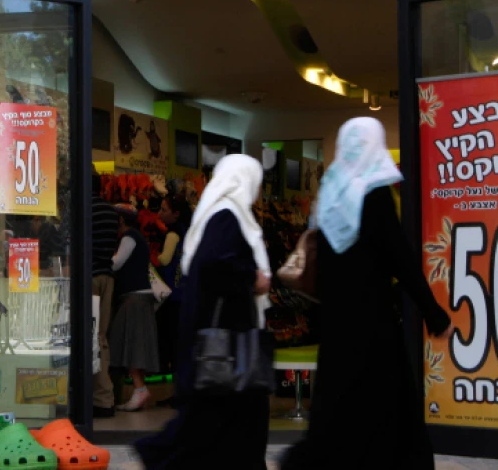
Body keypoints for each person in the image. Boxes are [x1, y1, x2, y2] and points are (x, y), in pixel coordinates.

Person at [279, 117, 452, 470]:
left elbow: (323, 264)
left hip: (337, 323)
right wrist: (434, 314)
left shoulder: (330, 192)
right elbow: (400, 261)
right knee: (386, 404)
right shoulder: (373, 196)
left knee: (338, 403)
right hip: (372, 324)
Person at [135, 154, 273, 470]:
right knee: (226, 428)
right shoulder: (227, 216)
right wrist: (253, 278)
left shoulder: (220, 213)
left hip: (219, 340)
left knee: (214, 429)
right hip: (229, 343)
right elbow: (215, 265)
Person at [109, 204, 159, 411]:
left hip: (134, 298)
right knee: (132, 343)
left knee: (131, 344)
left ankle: (140, 389)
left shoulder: (129, 237)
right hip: (138, 298)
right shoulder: (136, 237)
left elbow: (117, 263)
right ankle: (140, 389)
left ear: (120, 220)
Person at [154, 191, 192, 387]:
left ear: (175, 213)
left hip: (171, 296)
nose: (160, 214)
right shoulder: (188, 231)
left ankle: (178, 390)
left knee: (171, 343)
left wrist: (152, 257)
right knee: (182, 344)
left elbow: (164, 259)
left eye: (164, 210)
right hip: (186, 294)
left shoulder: (172, 234)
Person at [91, 172, 121, 419]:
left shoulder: (80, 208)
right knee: (100, 336)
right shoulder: (112, 213)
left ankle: (90, 396)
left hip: (87, 278)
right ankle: (105, 397)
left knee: (85, 335)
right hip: (107, 277)